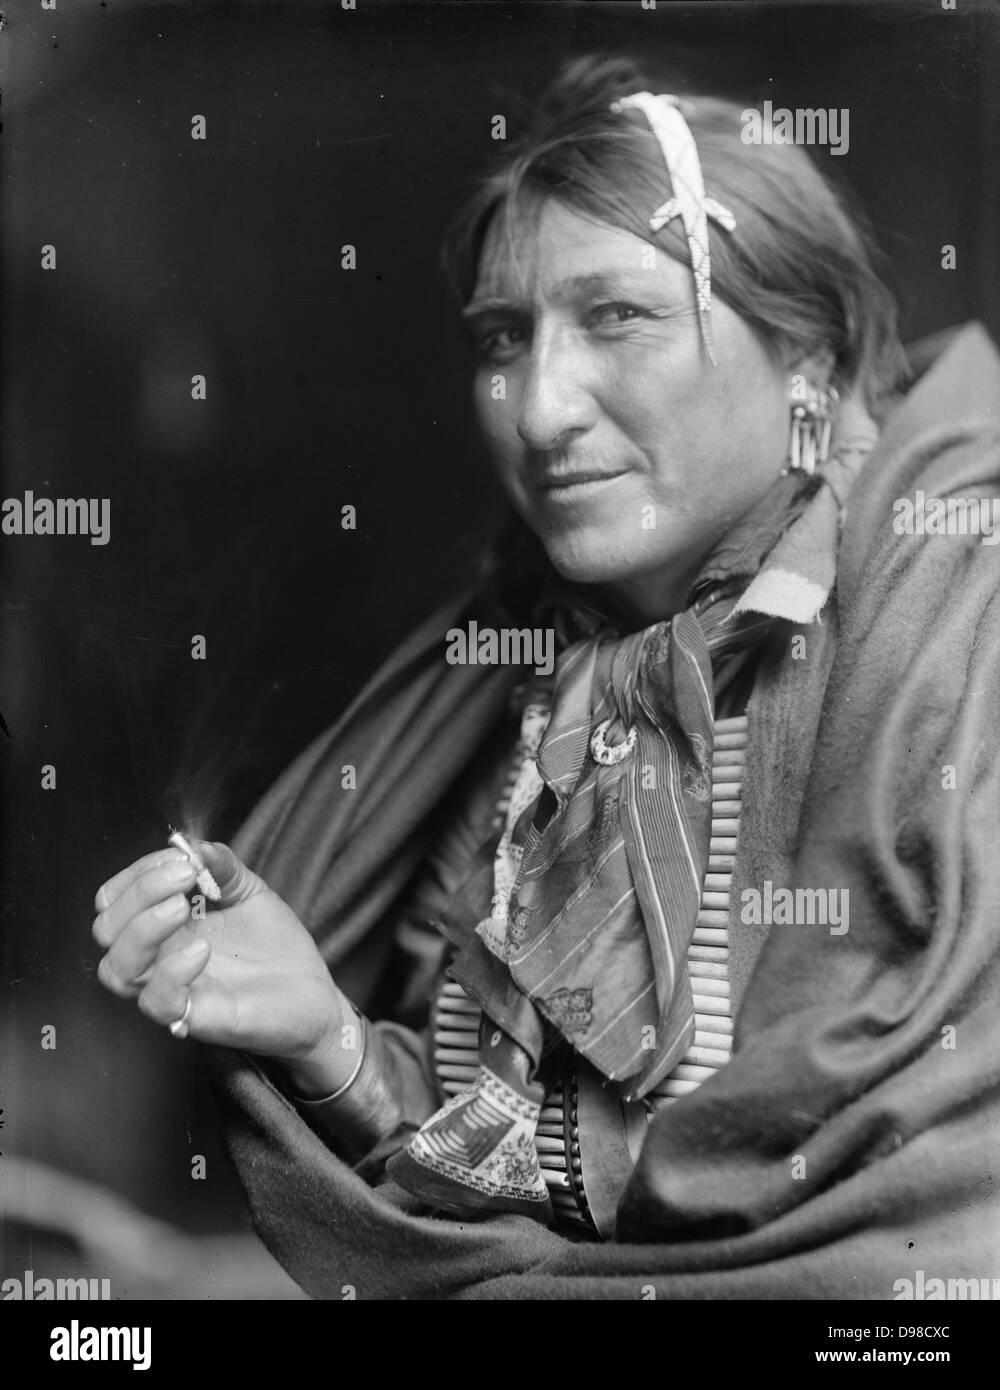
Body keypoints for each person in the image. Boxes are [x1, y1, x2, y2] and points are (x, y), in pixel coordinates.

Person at [92, 56, 1000, 1298]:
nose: (538, 408)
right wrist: (331, 1038)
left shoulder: (953, 632)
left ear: (809, 354)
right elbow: (542, 1166)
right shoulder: (538, 708)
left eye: (617, 315)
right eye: (502, 339)